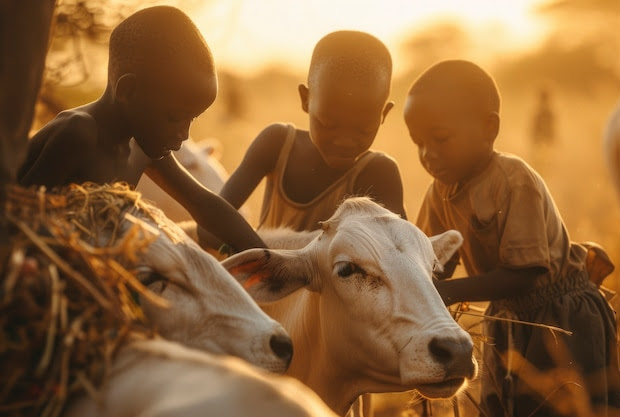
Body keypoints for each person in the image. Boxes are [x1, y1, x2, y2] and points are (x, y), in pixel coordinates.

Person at [403, 60, 620, 416]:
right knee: (503, 405)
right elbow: (434, 262)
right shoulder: (438, 191)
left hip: (558, 317)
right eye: (419, 144)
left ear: (489, 128)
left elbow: (525, 275)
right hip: (506, 318)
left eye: (440, 139)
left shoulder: (513, 180)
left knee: (561, 405)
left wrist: (447, 293)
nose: (428, 154)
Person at [17, 6, 265, 253]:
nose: (184, 134)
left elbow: (202, 204)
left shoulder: (141, 147)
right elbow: (19, 215)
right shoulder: (78, 133)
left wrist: (268, 257)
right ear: (128, 91)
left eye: (192, 119)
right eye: (174, 117)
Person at [217, 30, 406, 235]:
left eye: (363, 129)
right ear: (306, 99)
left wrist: (264, 253)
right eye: (329, 124)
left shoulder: (378, 173)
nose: (345, 141)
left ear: (384, 114)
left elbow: (407, 255)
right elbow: (210, 224)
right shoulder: (277, 145)